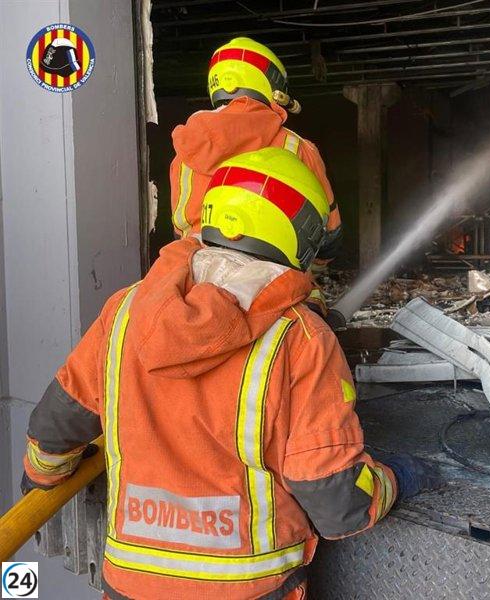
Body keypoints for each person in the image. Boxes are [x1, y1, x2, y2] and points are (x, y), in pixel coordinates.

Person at [22, 148, 437, 599]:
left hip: (131, 584)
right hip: (248, 589)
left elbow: (58, 423)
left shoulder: (124, 311)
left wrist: (43, 477)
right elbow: (336, 501)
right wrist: (396, 480)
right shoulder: (301, 339)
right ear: (299, 236)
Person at [170, 37, 342, 265]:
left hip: (198, 268)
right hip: (272, 274)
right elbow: (328, 235)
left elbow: (179, 229)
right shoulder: (297, 146)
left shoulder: (186, 148)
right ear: (274, 85)